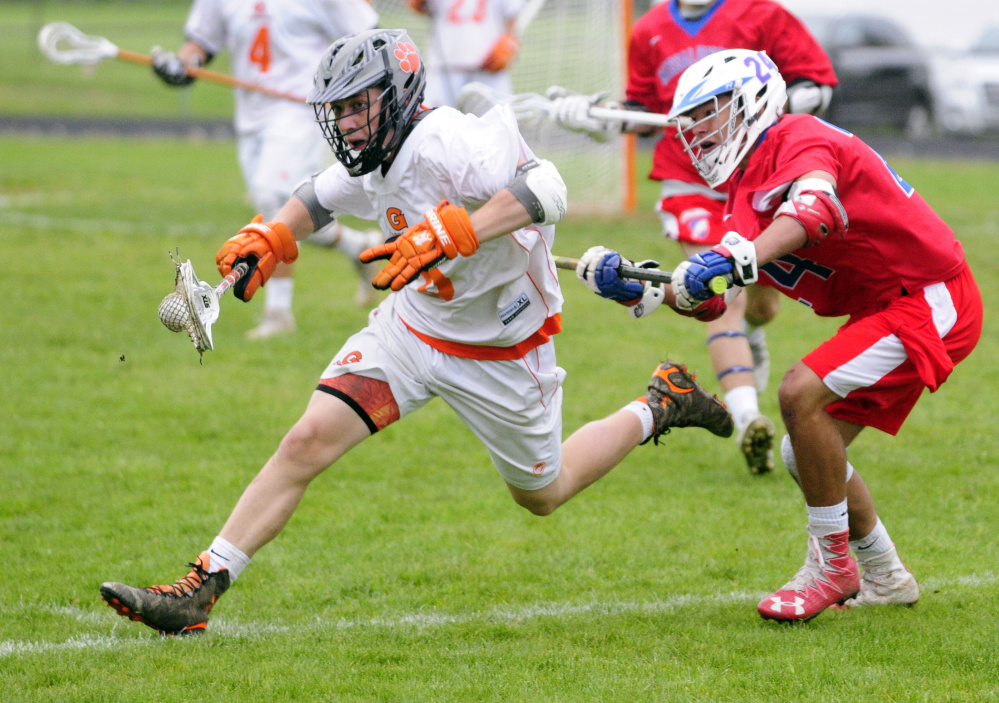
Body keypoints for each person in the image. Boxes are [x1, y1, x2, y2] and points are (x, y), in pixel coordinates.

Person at [99, 29, 735, 636]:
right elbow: (318, 195)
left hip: (500, 349)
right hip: (411, 331)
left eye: (356, 106)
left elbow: (548, 187)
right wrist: (274, 235)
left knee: (545, 492)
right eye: (338, 110)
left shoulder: (449, 140)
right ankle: (202, 588)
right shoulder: (374, 153)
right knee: (305, 442)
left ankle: (661, 403)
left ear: (397, 94)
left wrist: (459, 229)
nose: (346, 123)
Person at [581, 49, 982, 622]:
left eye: (709, 113)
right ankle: (887, 575)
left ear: (751, 102)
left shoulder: (797, 136)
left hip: (930, 293)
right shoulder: (744, 195)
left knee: (798, 394)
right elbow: (715, 298)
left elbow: (814, 207)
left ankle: (830, 565)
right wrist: (643, 287)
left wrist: (735, 255)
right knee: (805, 450)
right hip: (887, 305)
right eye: (690, 120)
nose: (697, 132)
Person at [546, 0, 838, 475]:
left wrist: (767, 104)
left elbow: (818, 86)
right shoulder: (651, 29)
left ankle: (749, 341)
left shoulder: (761, 14)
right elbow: (645, 114)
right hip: (689, 181)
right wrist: (598, 116)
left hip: (755, 175)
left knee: (761, 306)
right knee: (727, 294)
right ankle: (747, 419)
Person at [150, 0, 384, 338]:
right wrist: (184, 63)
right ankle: (360, 247)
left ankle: (279, 313)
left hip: (300, 110)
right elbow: (201, 41)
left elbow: (370, 40)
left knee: (273, 196)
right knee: (283, 209)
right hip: (251, 113)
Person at [406, 0, 523, 107]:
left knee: (500, 122)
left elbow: (511, 16)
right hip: (445, 65)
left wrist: (509, 41)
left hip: (489, 64)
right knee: (433, 122)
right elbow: (421, 7)